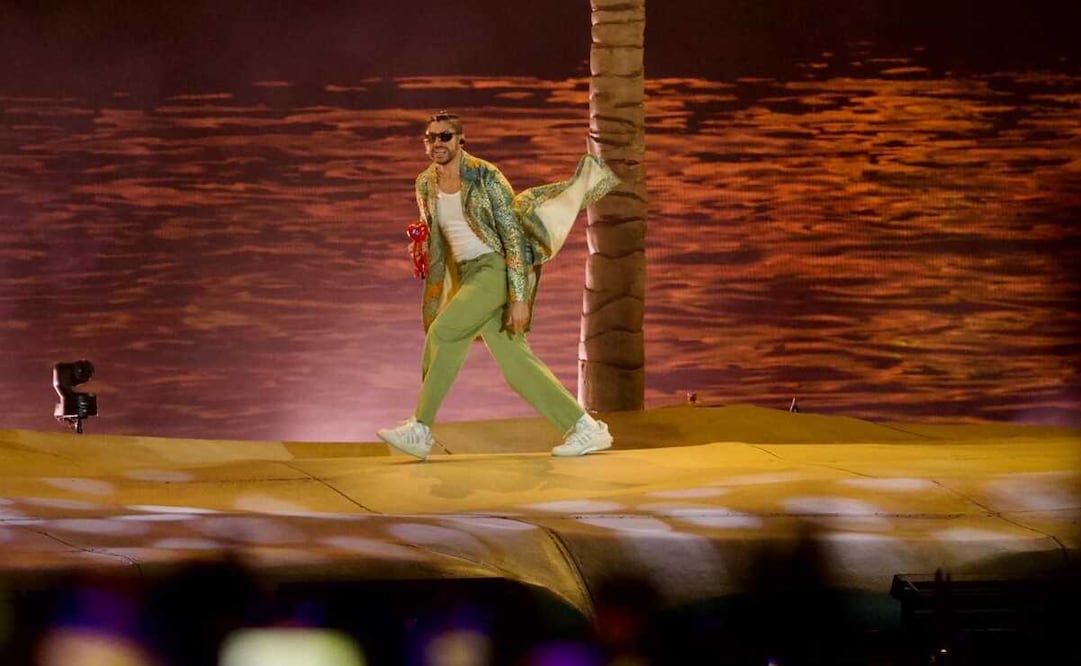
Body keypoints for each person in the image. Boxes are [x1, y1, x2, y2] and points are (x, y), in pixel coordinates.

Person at [377, 111, 618, 460]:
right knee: (516, 365)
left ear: (461, 139)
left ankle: (421, 428)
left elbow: (513, 240)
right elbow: (445, 237)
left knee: (444, 333)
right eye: (430, 137)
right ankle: (584, 428)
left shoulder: (487, 176)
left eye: (445, 136)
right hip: (465, 274)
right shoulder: (425, 184)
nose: (437, 144)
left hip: (495, 269)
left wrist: (518, 297)